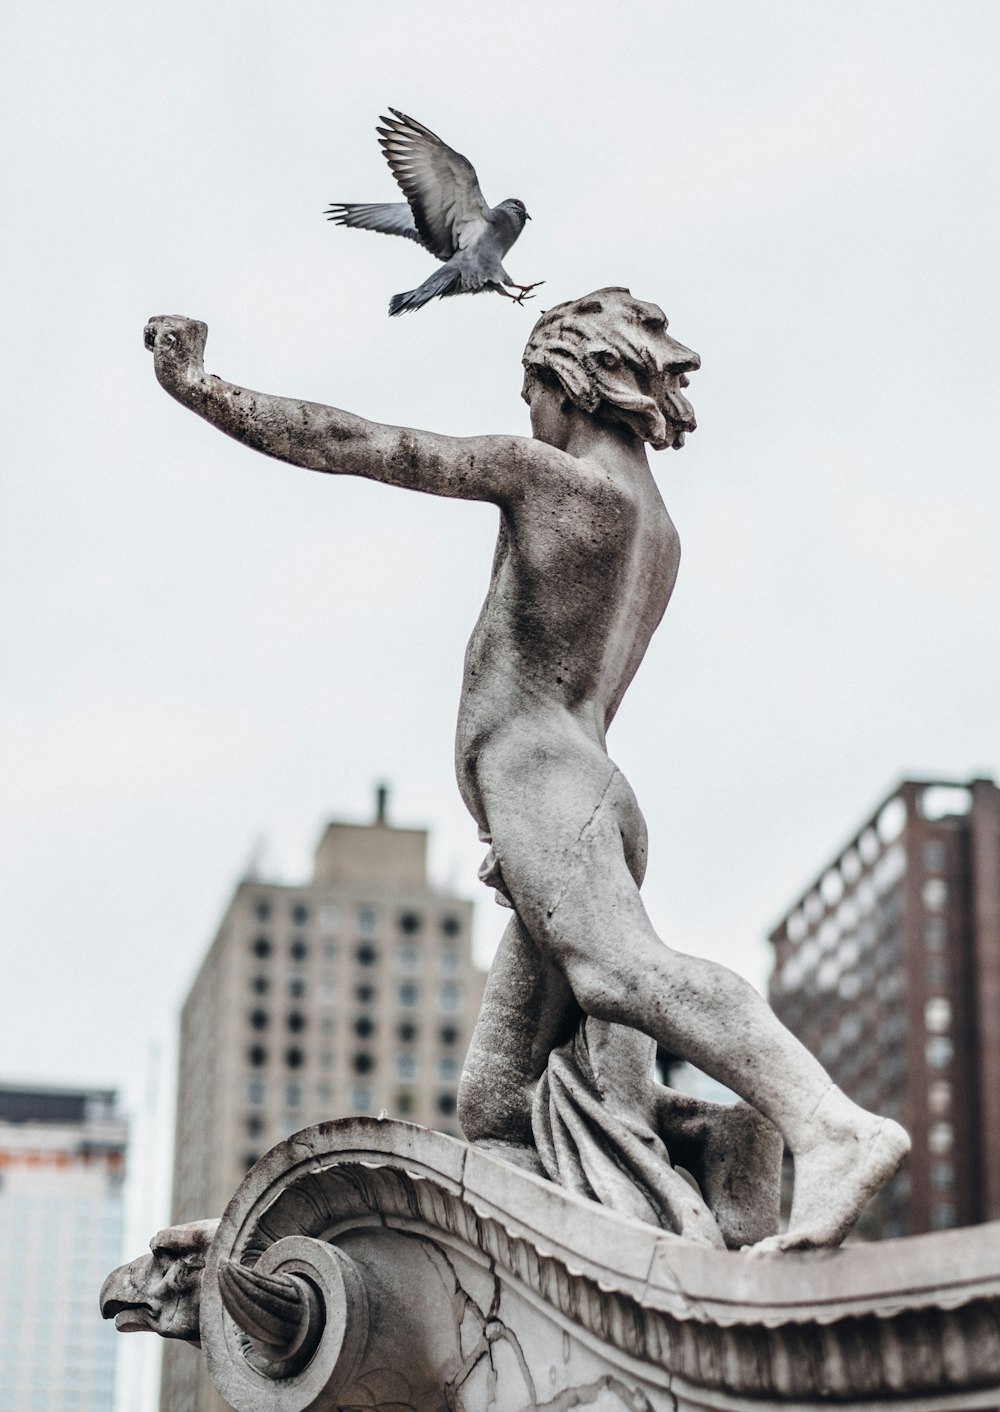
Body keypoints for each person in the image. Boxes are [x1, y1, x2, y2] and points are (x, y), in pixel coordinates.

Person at [144, 288, 908, 1250]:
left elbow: (369, 444)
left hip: (546, 780)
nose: (527, 418)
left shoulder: (553, 480)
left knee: (622, 972)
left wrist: (204, 388)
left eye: (531, 393)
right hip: (584, 792)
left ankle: (831, 1126)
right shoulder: (658, 533)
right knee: (499, 1102)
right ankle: (731, 1155)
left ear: (571, 379)